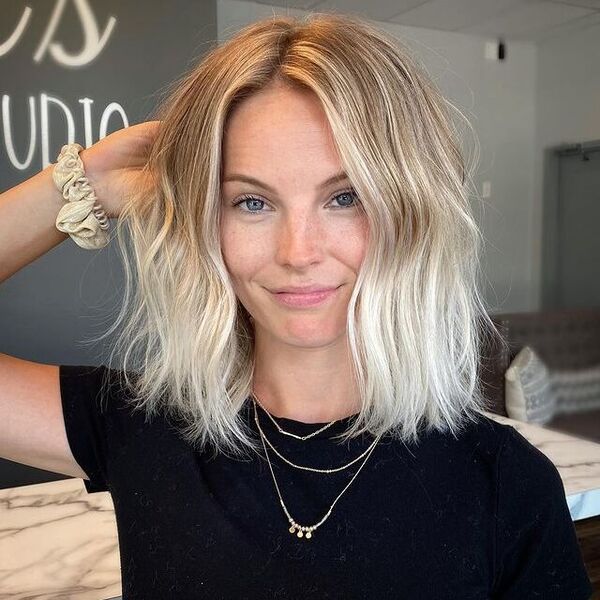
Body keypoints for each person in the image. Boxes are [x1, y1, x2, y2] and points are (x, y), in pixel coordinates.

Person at [0, 12, 593, 600]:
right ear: (209, 221)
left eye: (345, 196)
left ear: (412, 213)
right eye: (251, 203)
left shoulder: (507, 486)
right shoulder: (140, 425)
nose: (298, 251)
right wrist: (82, 183)